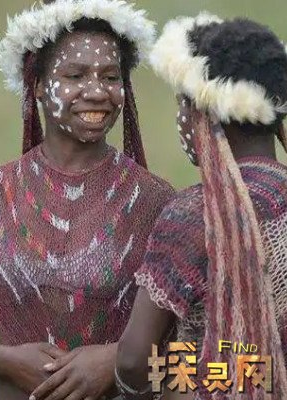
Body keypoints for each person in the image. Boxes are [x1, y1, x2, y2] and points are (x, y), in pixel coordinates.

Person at [0, 1, 174, 399]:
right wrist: (8, 360)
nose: (96, 91)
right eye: (75, 75)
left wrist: (114, 361)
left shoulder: (155, 201)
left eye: (111, 77)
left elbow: (194, 345)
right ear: (39, 85)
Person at [115, 13, 287, 399]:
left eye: (183, 102)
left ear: (205, 110)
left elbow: (133, 360)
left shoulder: (196, 214)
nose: (181, 116)